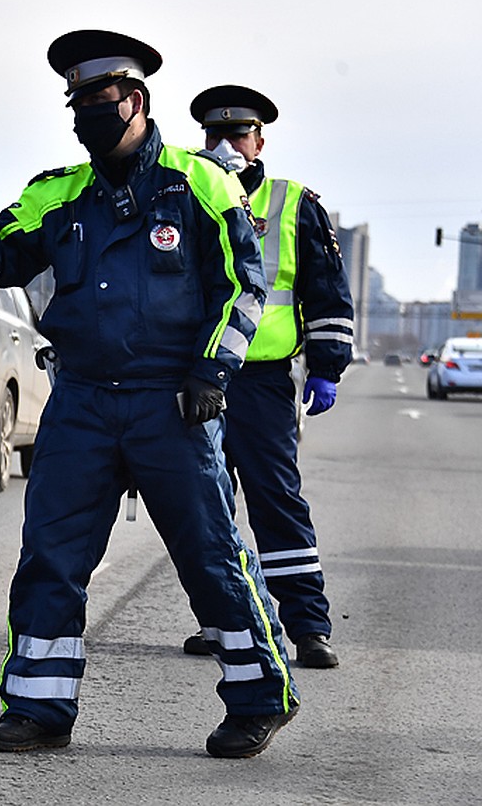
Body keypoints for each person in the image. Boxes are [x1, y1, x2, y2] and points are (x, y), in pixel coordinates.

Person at [0, 30, 298, 758]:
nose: (87, 115)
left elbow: (244, 287)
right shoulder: (56, 192)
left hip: (171, 403)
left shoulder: (201, 184)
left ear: (136, 101)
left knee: (211, 556)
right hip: (83, 401)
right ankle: (37, 707)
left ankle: (259, 694)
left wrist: (214, 372)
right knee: (50, 557)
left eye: (100, 101)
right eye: (78, 104)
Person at [183, 85, 355, 668]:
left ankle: (308, 627)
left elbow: (326, 291)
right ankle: (223, 622)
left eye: (239, 134)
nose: (227, 145)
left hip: (261, 382)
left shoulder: (294, 202)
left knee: (276, 500)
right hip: (198, 377)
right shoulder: (181, 193)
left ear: (260, 140)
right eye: (215, 135)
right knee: (205, 504)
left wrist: (327, 367)